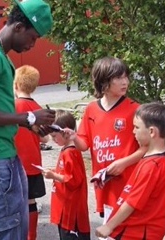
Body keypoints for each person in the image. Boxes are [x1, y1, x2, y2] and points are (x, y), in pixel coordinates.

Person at [0, 0, 55, 239]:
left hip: (2, 153)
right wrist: (27, 116)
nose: (32, 44)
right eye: (33, 37)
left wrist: (30, 123)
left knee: (16, 227)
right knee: (6, 230)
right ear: (17, 27)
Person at [64, 57, 146, 220]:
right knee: (109, 229)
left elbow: (147, 148)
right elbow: (84, 145)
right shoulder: (91, 109)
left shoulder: (135, 110)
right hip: (104, 185)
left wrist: (123, 163)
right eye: (118, 77)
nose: (125, 82)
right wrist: (73, 137)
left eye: (126, 77)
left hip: (130, 184)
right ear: (103, 81)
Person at [95, 102, 165, 240]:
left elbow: (133, 202)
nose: (133, 131)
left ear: (151, 132)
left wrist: (109, 226)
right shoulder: (152, 159)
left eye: (137, 127)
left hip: (138, 231)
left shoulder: (152, 166)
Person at [14, 65, 49, 240]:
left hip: (14, 162)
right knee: (31, 201)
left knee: (13, 202)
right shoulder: (38, 107)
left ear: (16, 84)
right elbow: (45, 139)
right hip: (33, 161)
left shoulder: (11, 106)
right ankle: (31, 236)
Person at [43, 110, 91, 240]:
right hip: (66, 205)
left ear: (65, 132)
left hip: (71, 209)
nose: (53, 140)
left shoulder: (70, 153)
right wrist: (54, 171)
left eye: (54, 136)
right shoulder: (67, 150)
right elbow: (66, 172)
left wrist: (54, 176)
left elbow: (74, 180)